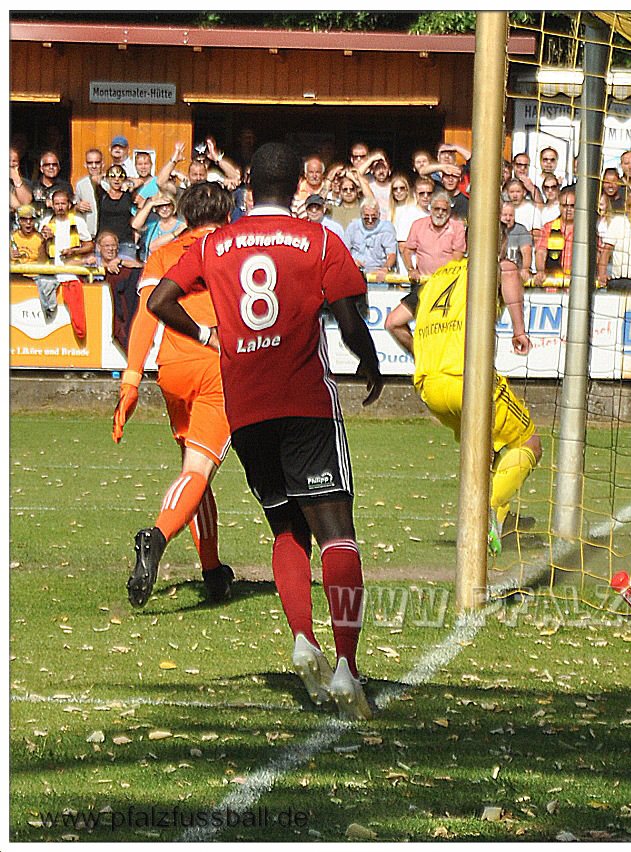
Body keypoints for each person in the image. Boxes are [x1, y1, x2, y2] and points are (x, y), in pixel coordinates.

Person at [147, 142, 385, 720]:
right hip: (305, 402)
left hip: (247, 406)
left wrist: (208, 336)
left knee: (285, 527)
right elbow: (348, 316)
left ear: (248, 187)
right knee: (336, 532)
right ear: (298, 186)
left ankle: (303, 638)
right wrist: (370, 361)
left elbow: (159, 300)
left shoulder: (214, 244)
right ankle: (347, 666)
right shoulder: (320, 239)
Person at [113, 183, 237, 607]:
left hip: (173, 369)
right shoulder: (234, 250)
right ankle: (157, 535)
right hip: (218, 365)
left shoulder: (165, 252)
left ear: (185, 215)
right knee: (198, 471)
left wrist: (131, 381)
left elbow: (146, 319)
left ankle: (213, 572)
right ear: (227, 215)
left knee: (192, 472)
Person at [384, 229, 541, 556]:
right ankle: (488, 511)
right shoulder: (494, 266)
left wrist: (423, 355)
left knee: (487, 449)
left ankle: (500, 518)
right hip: (468, 379)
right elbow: (508, 271)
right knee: (528, 443)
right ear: (501, 243)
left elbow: (393, 322)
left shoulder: (437, 278)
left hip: (430, 386)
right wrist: (519, 330)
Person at [37, 188, 94, 338]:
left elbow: (89, 245)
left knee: (77, 314)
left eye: (63, 203)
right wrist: (45, 240)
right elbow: (40, 255)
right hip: (51, 273)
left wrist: (73, 251)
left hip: (71, 273)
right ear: (52, 205)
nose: (60, 207)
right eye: (57, 204)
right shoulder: (46, 222)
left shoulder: (78, 221)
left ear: (69, 204)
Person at [93, 229, 144, 352]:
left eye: (113, 245)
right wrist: (106, 267)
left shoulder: (124, 259)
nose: (110, 249)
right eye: (107, 246)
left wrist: (119, 262)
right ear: (99, 247)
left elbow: (141, 266)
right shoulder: (93, 260)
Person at [402, 190, 467, 279]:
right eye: (437, 209)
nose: (440, 213)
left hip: (446, 280)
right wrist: (411, 269)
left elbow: (458, 256)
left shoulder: (457, 227)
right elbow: (407, 251)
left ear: (449, 211)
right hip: (422, 280)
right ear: (431, 209)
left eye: (444, 210)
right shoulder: (418, 225)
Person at [343, 200, 398, 282]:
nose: (370, 220)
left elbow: (391, 254)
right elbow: (344, 250)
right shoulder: (352, 227)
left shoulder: (387, 228)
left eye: (374, 217)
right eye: (366, 217)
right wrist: (351, 261)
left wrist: (385, 268)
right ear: (361, 215)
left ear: (379, 215)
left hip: (377, 271)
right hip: (355, 270)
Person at [534, 188, 574, 285]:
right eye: (565, 206)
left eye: (572, 206)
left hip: (577, 283)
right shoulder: (548, 227)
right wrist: (540, 271)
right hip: (553, 282)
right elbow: (541, 252)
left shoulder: (585, 230)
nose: (568, 209)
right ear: (559, 207)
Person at [72, 148, 105, 238]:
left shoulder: (110, 182)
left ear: (102, 164)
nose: (94, 166)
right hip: (89, 233)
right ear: (85, 165)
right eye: (90, 163)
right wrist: (78, 207)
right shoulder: (80, 184)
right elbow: (74, 208)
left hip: (107, 233)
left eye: (97, 163)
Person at [500, 201, 534, 284]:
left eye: (511, 215)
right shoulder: (494, 230)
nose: (508, 218)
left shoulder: (521, 230)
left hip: (515, 272)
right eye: (505, 215)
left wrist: (525, 269)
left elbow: (526, 252)